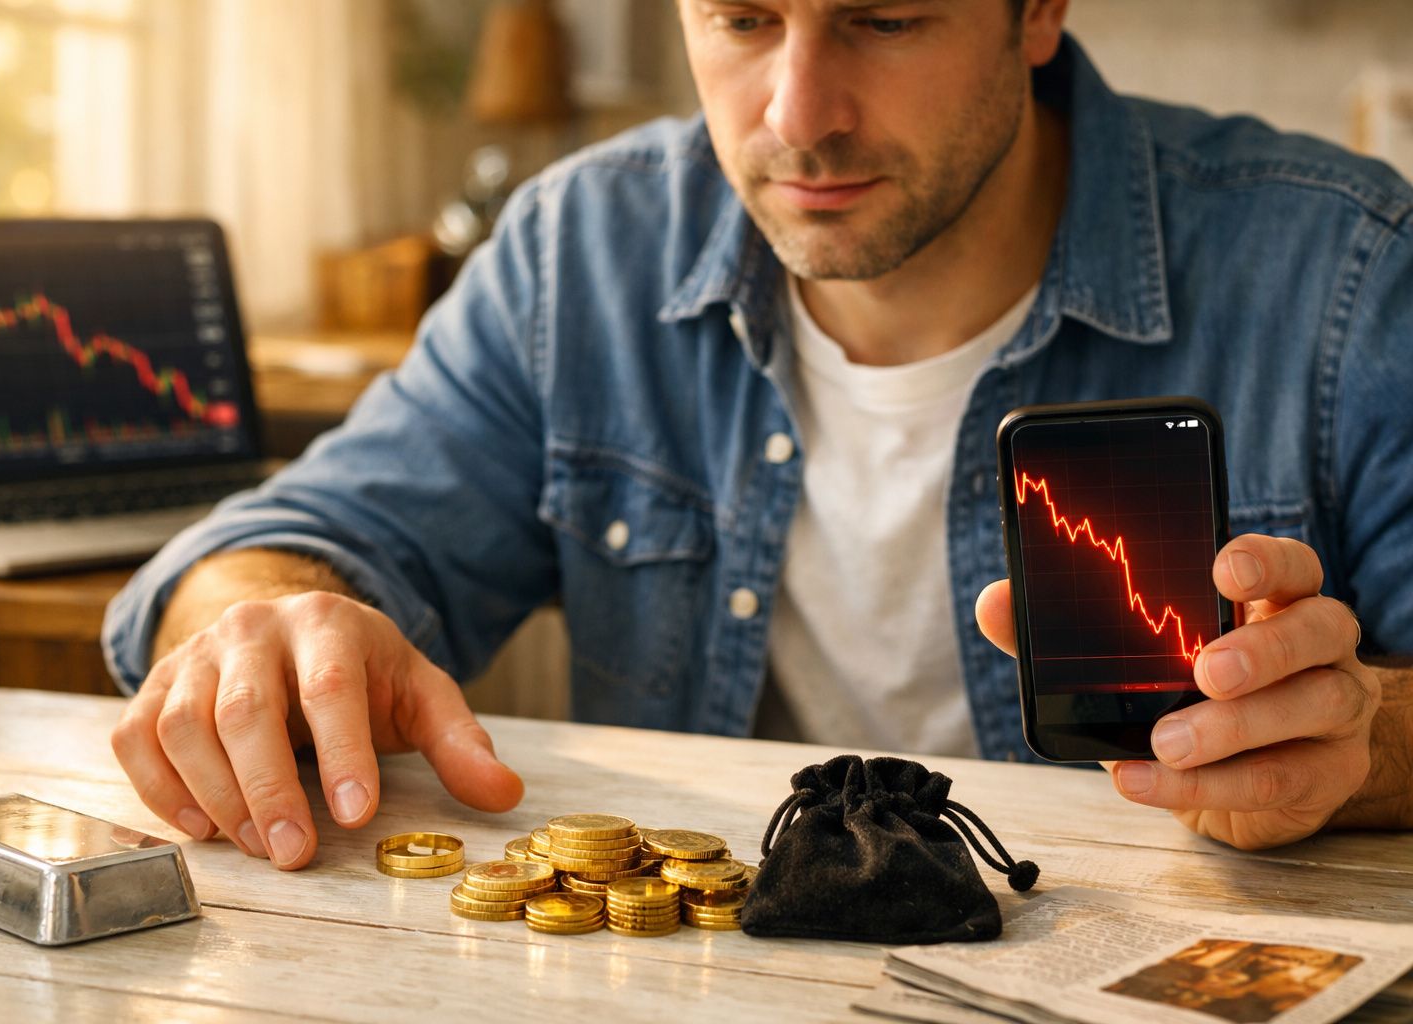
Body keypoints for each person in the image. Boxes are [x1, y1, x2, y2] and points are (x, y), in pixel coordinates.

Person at [102, 0, 1413, 870]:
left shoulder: (1348, 275)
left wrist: (1352, 748)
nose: (797, 112)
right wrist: (263, 620)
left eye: (883, 16)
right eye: (740, 17)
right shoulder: (583, 255)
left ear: (1040, 7)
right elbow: (285, 547)